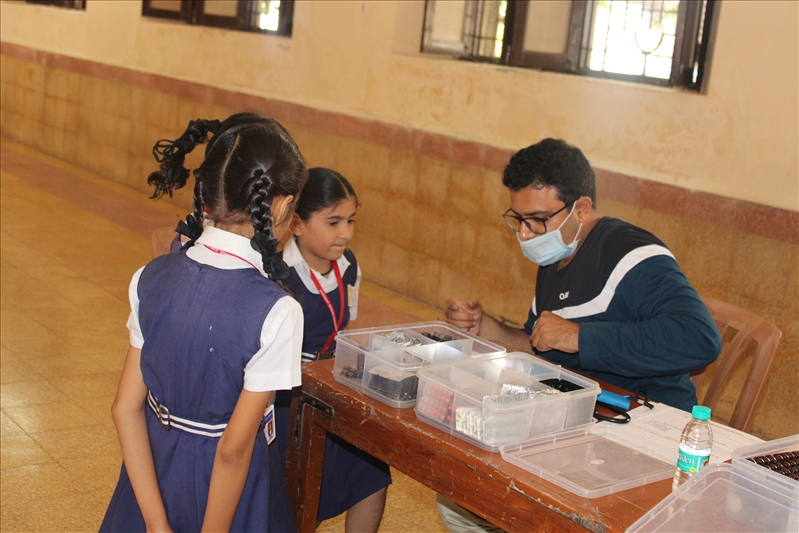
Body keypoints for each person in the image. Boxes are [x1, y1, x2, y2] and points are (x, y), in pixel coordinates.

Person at [439, 138, 721, 532]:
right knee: (458, 493)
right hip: (581, 422)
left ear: (582, 208)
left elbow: (700, 338)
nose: (525, 234)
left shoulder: (633, 256)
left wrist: (581, 337)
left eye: (537, 219)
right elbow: (543, 341)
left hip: (645, 434)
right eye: (519, 219)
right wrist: (484, 326)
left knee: (494, 500)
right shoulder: (556, 254)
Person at [100, 113, 307, 532]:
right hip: (225, 500)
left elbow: (125, 408)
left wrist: (156, 524)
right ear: (282, 206)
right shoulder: (277, 311)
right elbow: (232, 450)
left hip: (152, 476)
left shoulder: (150, 276)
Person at [275, 168, 391, 533]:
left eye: (351, 220)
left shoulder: (348, 265)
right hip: (288, 400)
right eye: (333, 222)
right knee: (298, 490)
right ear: (297, 224)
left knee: (372, 470)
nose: (346, 233)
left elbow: (344, 328)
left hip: (334, 389)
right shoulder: (279, 276)